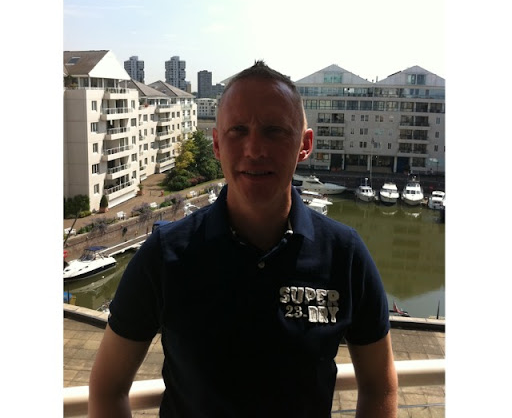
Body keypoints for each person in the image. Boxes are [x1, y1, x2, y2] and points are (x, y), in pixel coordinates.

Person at [88, 60, 398, 417]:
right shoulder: (165, 255)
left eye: (274, 130)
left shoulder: (345, 254)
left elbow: (379, 386)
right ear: (217, 144)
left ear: (305, 144)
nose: (254, 149)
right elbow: (108, 387)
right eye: (238, 130)